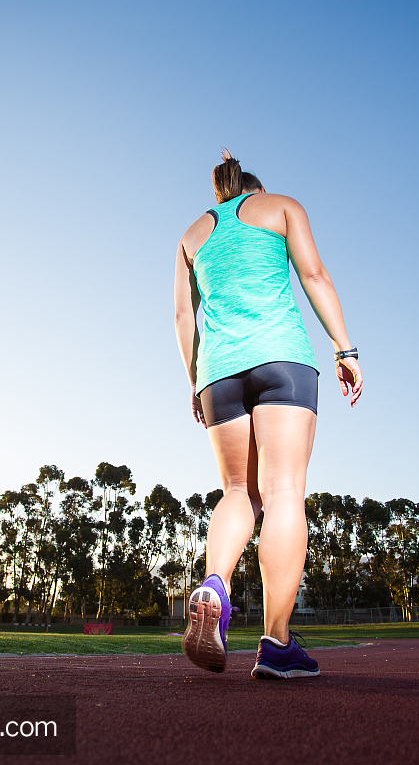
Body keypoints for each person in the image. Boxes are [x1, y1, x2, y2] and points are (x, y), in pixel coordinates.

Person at [173, 150, 362, 679]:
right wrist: (345, 349)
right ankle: (277, 643)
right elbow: (315, 275)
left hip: (218, 373)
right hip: (282, 359)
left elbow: (184, 316)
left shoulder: (191, 237)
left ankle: (215, 584)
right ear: (255, 190)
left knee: (239, 492)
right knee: (282, 493)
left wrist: (194, 381)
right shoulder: (281, 207)